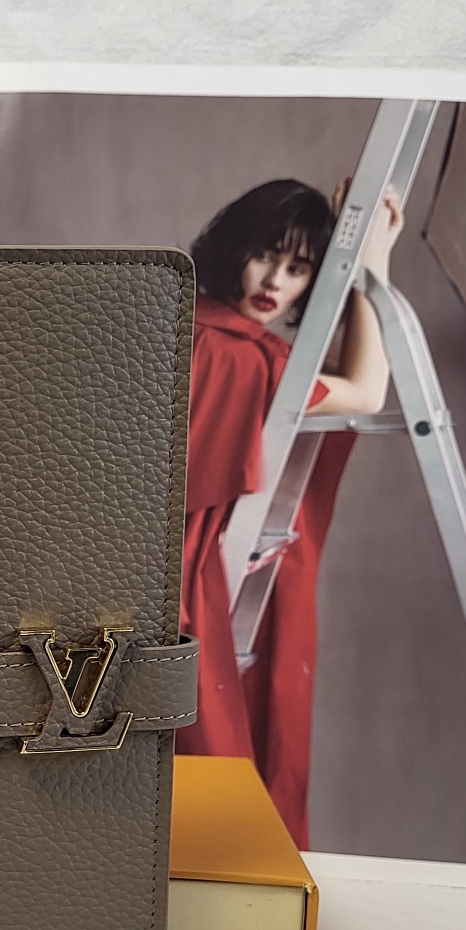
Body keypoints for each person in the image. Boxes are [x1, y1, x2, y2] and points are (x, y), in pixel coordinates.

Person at [176, 177, 403, 847]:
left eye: (299, 268)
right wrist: (374, 263)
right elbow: (366, 391)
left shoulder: (196, 329)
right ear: (234, 249)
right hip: (181, 578)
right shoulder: (234, 356)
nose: (275, 281)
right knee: (214, 799)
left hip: (167, 564)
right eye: (265, 256)